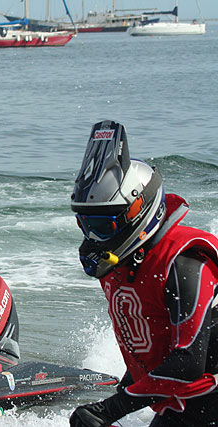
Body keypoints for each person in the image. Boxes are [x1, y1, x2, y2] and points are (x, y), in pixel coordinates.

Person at [69, 120, 218, 427]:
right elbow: (151, 353)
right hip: (183, 403)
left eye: (102, 227)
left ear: (137, 210)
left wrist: (109, 410)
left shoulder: (186, 264)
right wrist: (114, 399)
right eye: (85, 225)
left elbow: (188, 362)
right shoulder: (124, 265)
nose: (93, 240)